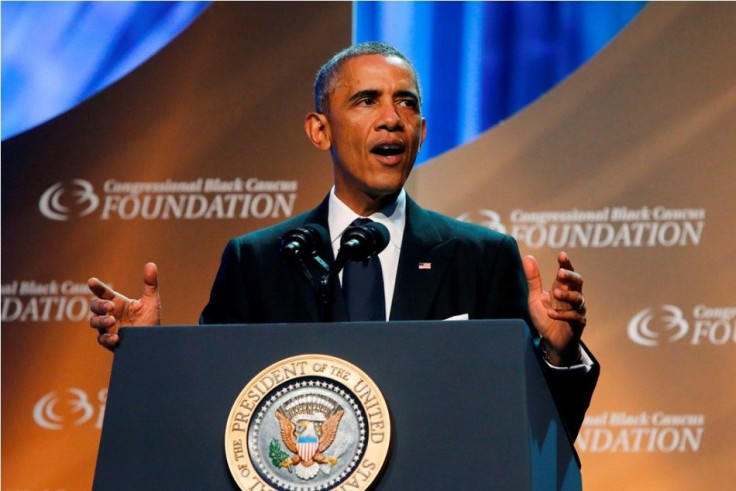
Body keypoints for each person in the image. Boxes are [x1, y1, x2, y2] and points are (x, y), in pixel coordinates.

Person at [89, 42, 598, 440]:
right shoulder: (259, 260)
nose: (391, 117)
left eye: (406, 102)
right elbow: (209, 410)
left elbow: (536, 435)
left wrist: (558, 357)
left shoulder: (482, 258)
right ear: (320, 130)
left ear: (420, 130)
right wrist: (147, 353)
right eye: (366, 100)